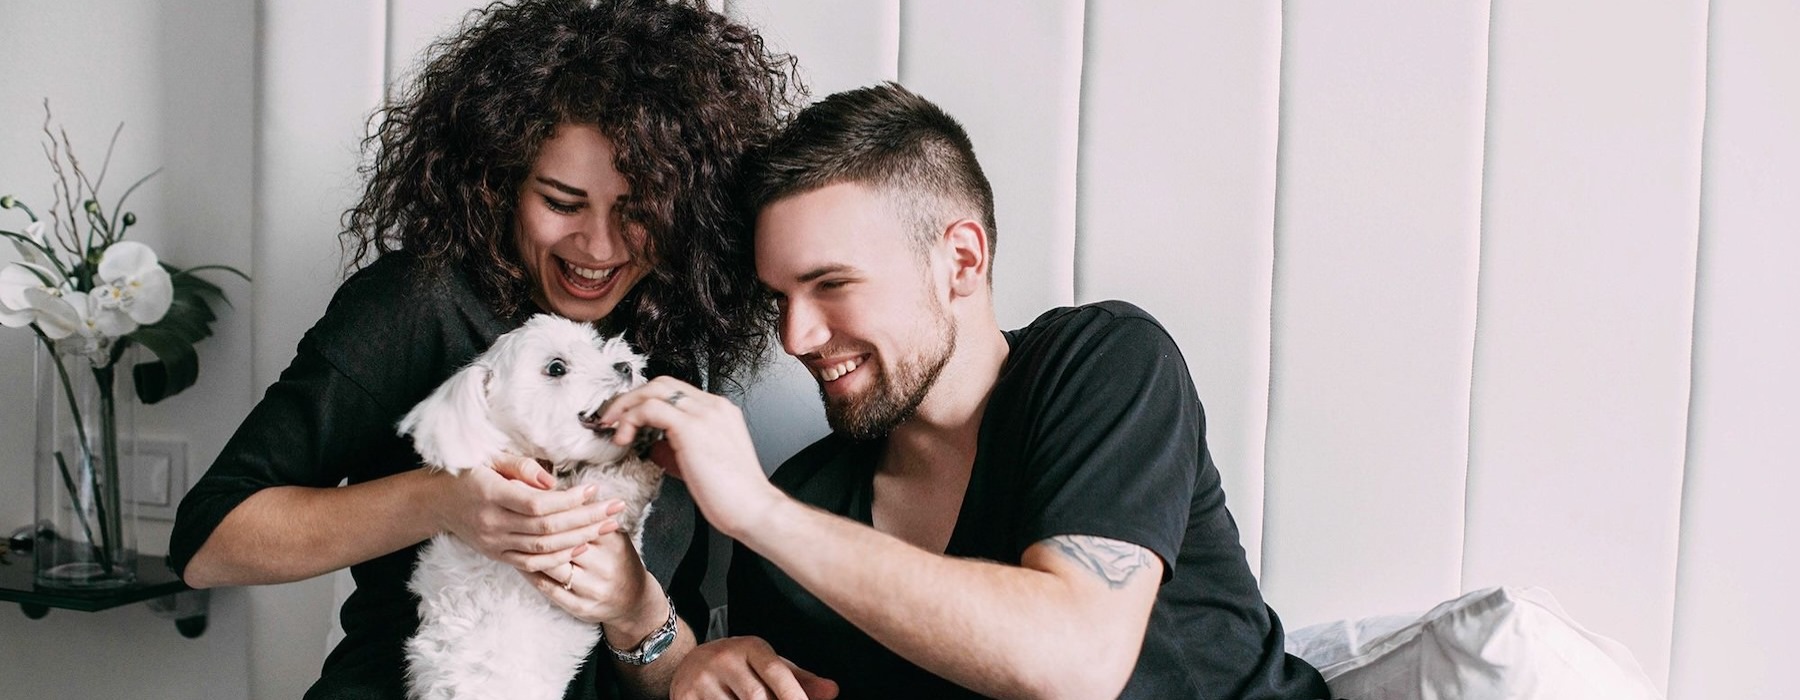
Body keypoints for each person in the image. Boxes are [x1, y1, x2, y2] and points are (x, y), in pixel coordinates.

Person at [595, 83, 1333, 699]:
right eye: (780, 298)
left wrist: (758, 511)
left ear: (961, 261)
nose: (796, 337)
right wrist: (701, 665)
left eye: (832, 284)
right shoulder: (807, 504)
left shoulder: (1103, 362)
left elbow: (1076, 660)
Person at [166, 2, 800, 698]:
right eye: (561, 202)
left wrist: (637, 612)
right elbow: (207, 545)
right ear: (500, 180)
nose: (598, 248)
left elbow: (660, 661)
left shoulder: (671, 341)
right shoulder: (419, 303)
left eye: (639, 211)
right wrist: (443, 502)